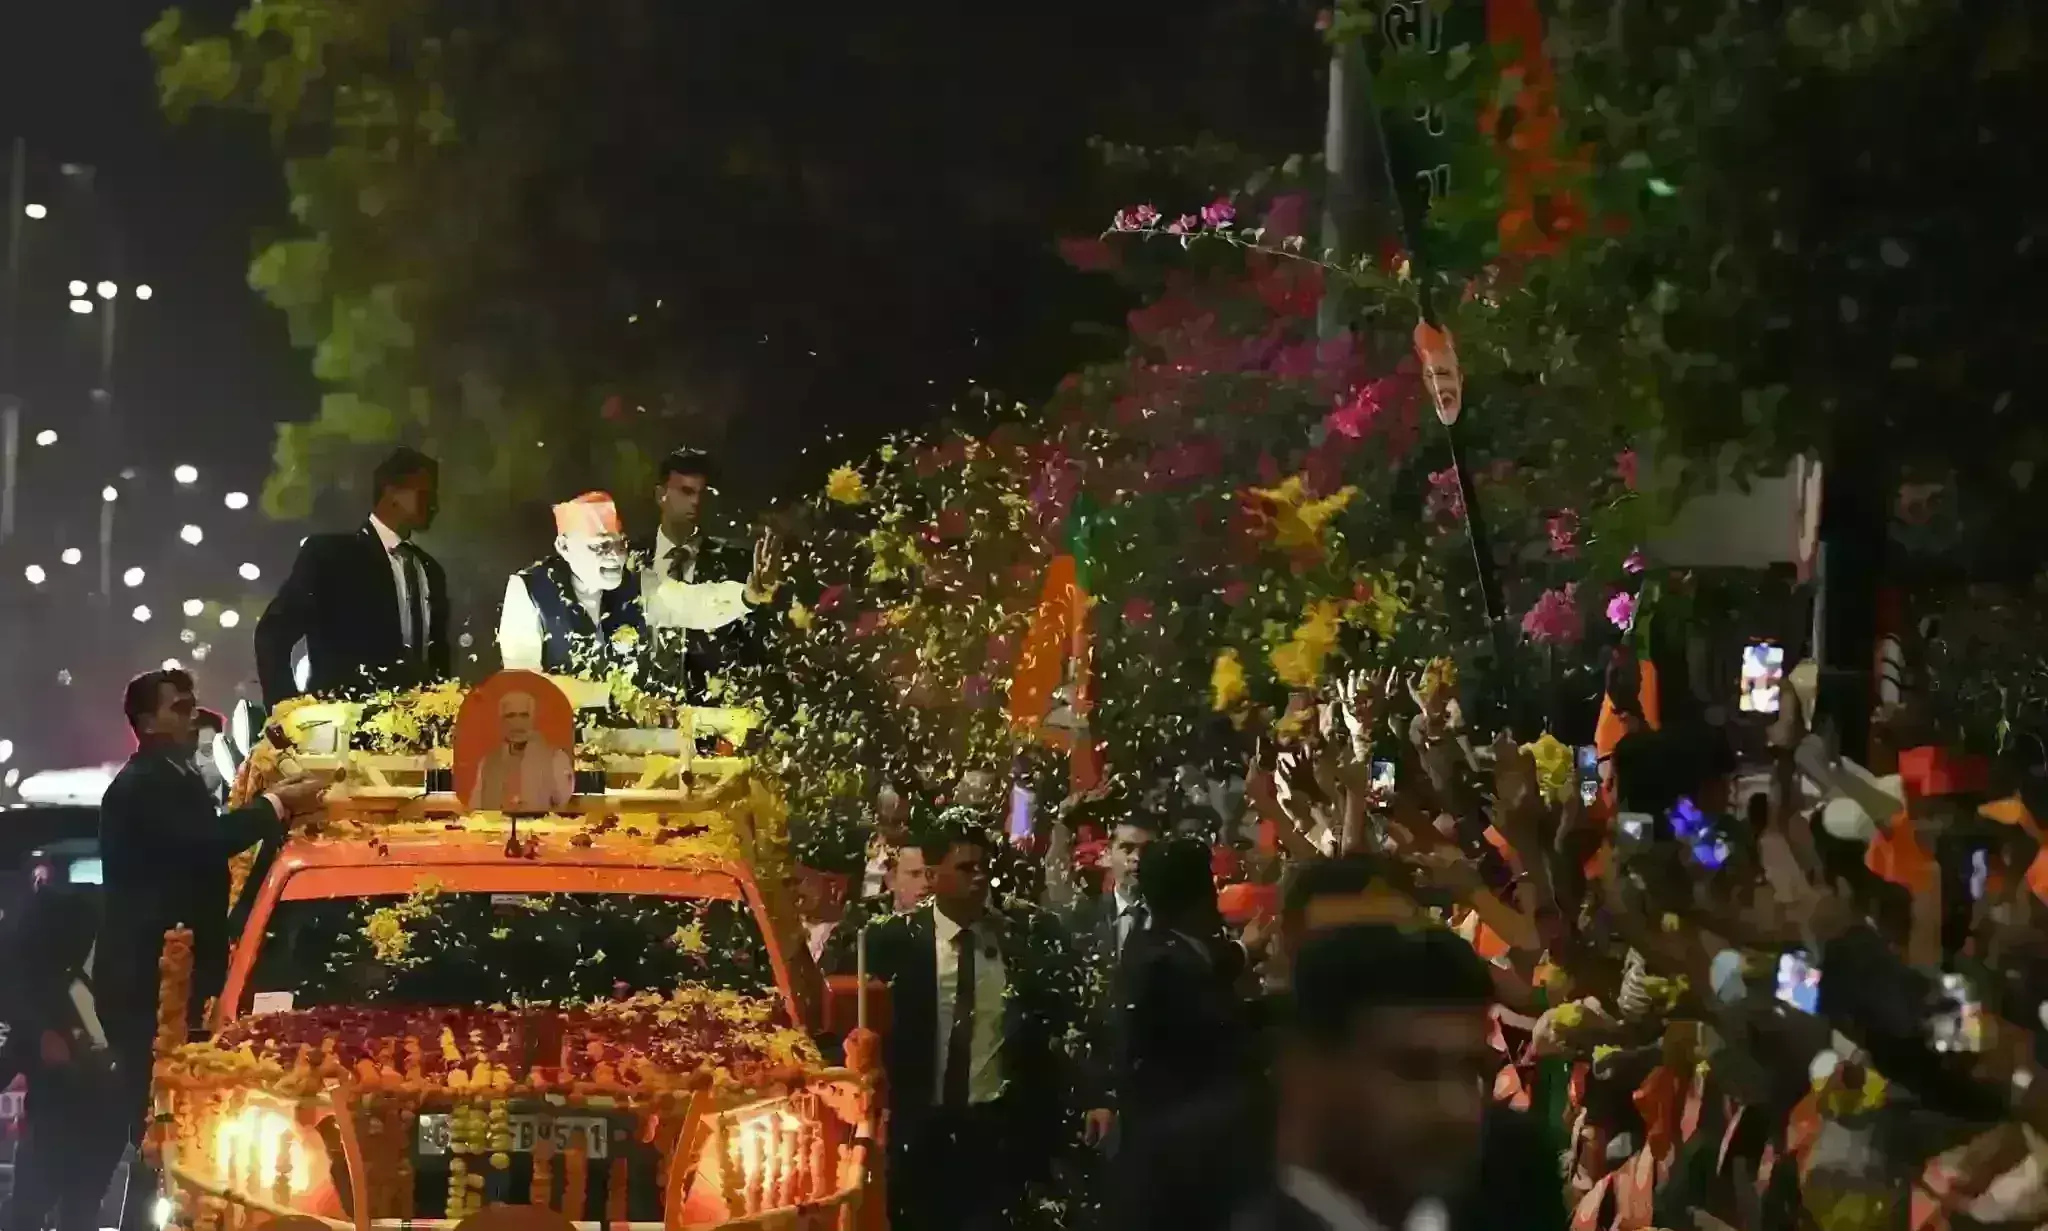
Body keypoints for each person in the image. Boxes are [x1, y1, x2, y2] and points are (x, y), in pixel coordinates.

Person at [96, 668, 329, 1230]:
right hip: (148, 983)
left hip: (166, 978)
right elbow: (203, 844)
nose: (191, 718)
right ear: (146, 721)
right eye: (178, 708)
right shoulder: (145, 783)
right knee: (156, 1124)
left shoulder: (172, 776)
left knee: (167, 1122)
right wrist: (274, 804)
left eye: (192, 706)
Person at [827, 816, 1079, 1230]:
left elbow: (1053, 1021)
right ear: (932, 875)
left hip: (995, 1130)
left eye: (984, 867)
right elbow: (849, 1025)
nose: (979, 878)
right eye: (965, 868)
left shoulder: (1021, 937)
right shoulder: (888, 941)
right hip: (916, 1128)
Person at [254, 446, 449, 704]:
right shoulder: (331, 557)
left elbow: (438, 657)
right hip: (347, 722)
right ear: (391, 491)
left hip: (423, 722)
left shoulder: (430, 570)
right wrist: (286, 710)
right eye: (424, 494)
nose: (434, 505)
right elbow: (272, 634)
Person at [1107, 837, 1249, 1146]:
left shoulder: (1154, 944)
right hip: (1182, 1142)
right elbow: (1222, 1032)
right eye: (1208, 881)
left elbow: (1212, 963)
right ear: (1198, 895)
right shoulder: (1170, 966)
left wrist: (1245, 950)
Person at [0, 886, 115, 1231]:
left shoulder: (96, 977)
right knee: (34, 1209)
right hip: (62, 1119)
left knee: (71, 1212)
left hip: (94, 1120)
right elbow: (21, 1045)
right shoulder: (47, 991)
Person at [634, 449, 782, 697]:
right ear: (661, 495)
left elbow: (759, 648)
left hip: (715, 709)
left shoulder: (738, 565)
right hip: (634, 703)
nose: (696, 501)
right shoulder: (627, 559)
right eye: (686, 491)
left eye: (702, 493)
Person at [469, 689, 573, 812]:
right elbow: (475, 808)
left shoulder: (556, 759)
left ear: (533, 719)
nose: (517, 722)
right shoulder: (488, 763)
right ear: (502, 721)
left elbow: (563, 807)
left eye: (524, 715)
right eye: (510, 716)